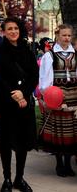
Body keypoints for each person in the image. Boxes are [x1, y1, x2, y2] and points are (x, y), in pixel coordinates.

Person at [0, 17, 38, 192]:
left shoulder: (28, 51)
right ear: (3, 31)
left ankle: (19, 178)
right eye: (9, 29)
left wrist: (23, 93)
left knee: (22, 143)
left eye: (15, 28)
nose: (13, 32)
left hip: (24, 104)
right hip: (5, 103)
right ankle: (7, 178)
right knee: (6, 142)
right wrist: (15, 94)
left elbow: (34, 76)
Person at [39, 24, 77, 177]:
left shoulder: (75, 54)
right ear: (57, 36)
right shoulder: (50, 56)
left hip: (73, 96)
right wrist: (48, 96)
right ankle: (59, 164)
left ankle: (68, 163)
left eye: (69, 35)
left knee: (71, 132)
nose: (66, 38)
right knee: (58, 132)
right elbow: (45, 78)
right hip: (57, 96)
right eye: (63, 35)